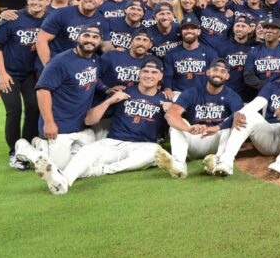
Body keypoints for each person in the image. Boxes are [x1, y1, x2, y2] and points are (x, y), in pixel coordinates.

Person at [33, 58, 171, 195]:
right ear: (139, 74)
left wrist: (171, 114)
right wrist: (109, 101)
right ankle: (63, 182)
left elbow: (171, 132)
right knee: (88, 151)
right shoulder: (124, 93)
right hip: (113, 143)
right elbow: (89, 120)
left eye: (154, 72)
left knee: (155, 152)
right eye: (145, 71)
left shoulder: (165, 100)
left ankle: (99, 170)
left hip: (142, 146)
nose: (149, 75)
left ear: (160, 76)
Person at [206, 53, 280, 177]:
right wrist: (240, 113)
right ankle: (226, 162)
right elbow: (258, 103)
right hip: (269, 136)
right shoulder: (273, 85)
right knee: (247, 115)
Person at [14, 25, 102, 170]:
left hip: (81, 127)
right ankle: (24, 149)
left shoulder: (94, 60)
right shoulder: (59, 62)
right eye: (86, 36)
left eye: (95, 37)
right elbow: (43, 91)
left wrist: (108, 89)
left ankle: (41, 145)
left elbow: (93, 80)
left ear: (100, 41)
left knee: (88, 162)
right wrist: (49, 123)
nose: (90, 40)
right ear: (77, 37)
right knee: (59, 168)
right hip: (59, 126)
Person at [0, 0, 50, 169]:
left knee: (34, 108)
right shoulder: (13, 18)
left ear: (47, 2)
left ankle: (27, 147)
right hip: (8, 72)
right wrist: (1, 73)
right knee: (14, 110)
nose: (36, 2)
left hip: (30, 73)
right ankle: (14, 152)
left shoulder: (49, 20)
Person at [155, 58, 244, 178]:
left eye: (223, 71)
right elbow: (170, 114)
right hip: (194, 138)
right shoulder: (192, 92)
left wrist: (218, 127)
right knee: (176, 125)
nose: (218, 74)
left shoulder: (232, 96)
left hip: (215, 140)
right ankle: (179, 164)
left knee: (232, 123)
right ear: (207, 72)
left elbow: (239, 116)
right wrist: (187, 128)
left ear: (227, 76)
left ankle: (217, 160)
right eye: (215, 70)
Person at [93, 29, 156, 139]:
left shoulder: (153, 62)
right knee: (99, 144)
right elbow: (93, 76)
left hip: (130, 113)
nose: (141, 43)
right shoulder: (112, 56)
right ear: (131, 41)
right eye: (138, 39)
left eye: (145, 40)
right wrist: (106, 89)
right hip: (106, 109)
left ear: (150, 45)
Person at [36, 0, 106, 67]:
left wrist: (119, 52)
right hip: (57, 65)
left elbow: (105, 45)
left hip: (80, 68)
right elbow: (41, 40)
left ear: (102, 1)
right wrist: (48, 66)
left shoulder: (102, 20)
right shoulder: (61, 14)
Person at [162, 17, 219, 101]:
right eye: (185, 28)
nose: (189, 31)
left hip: (202, 94)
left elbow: (214, 76)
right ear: (181, 32)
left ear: (199, 32)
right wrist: (167, 89)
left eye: (193, 28)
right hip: (178, 94)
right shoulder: (171, 53)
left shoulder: (210, 52)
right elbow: (167, 76)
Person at [244, 18, 280, 91]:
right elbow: (248, 75)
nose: (269, 31)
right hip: (261, 92)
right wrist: (266, 87)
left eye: (273, 28)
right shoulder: (253, 52)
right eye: (266, 28)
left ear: (279, 33)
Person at [218, 15, 256, 101]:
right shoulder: (224, 46)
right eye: (237, 26)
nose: (239, 29)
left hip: (249, 94)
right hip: (228, 91)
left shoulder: (255, 47)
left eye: (243, 26)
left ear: (250, 29)